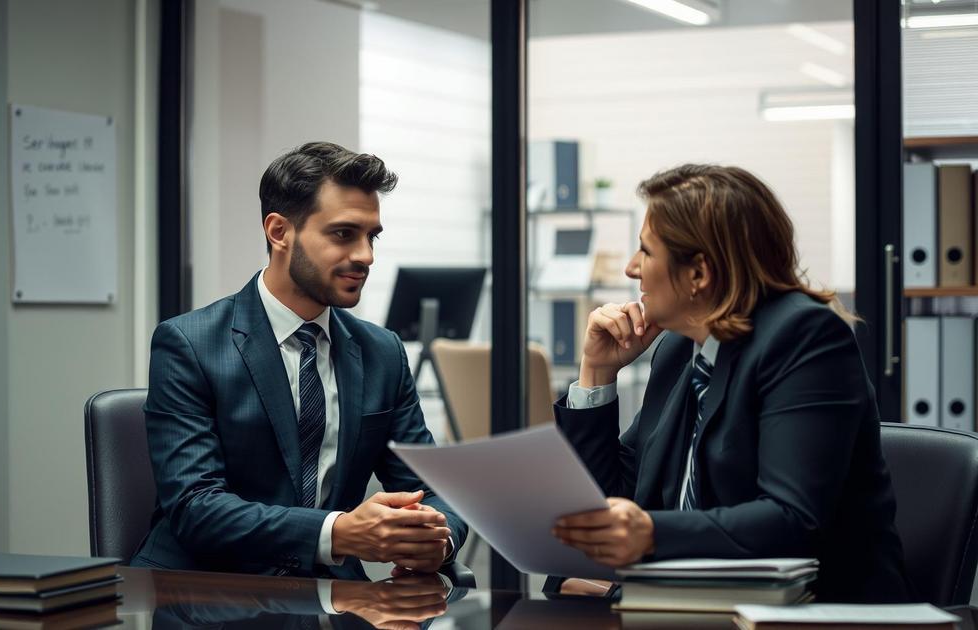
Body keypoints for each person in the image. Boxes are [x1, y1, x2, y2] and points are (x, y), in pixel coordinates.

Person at [548, 164, 913, 603]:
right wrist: (596, 373)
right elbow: (614, 499)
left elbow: (791, 519)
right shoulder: (680, 349)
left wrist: (649, 536)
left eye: (645, 252)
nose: (631, 269)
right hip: (696, 608)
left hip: (816, 612)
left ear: (698, 273)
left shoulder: (805, 337)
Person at [132, 142, 468, 583]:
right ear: (279, 232)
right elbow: (196, 509)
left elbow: (437, 490)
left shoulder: (382, 352)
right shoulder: (189, 344)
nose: (366, 255)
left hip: (334, 599)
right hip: (208, 593)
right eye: (344, 234)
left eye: (372, 237)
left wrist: (434, 541)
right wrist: (338, 533)